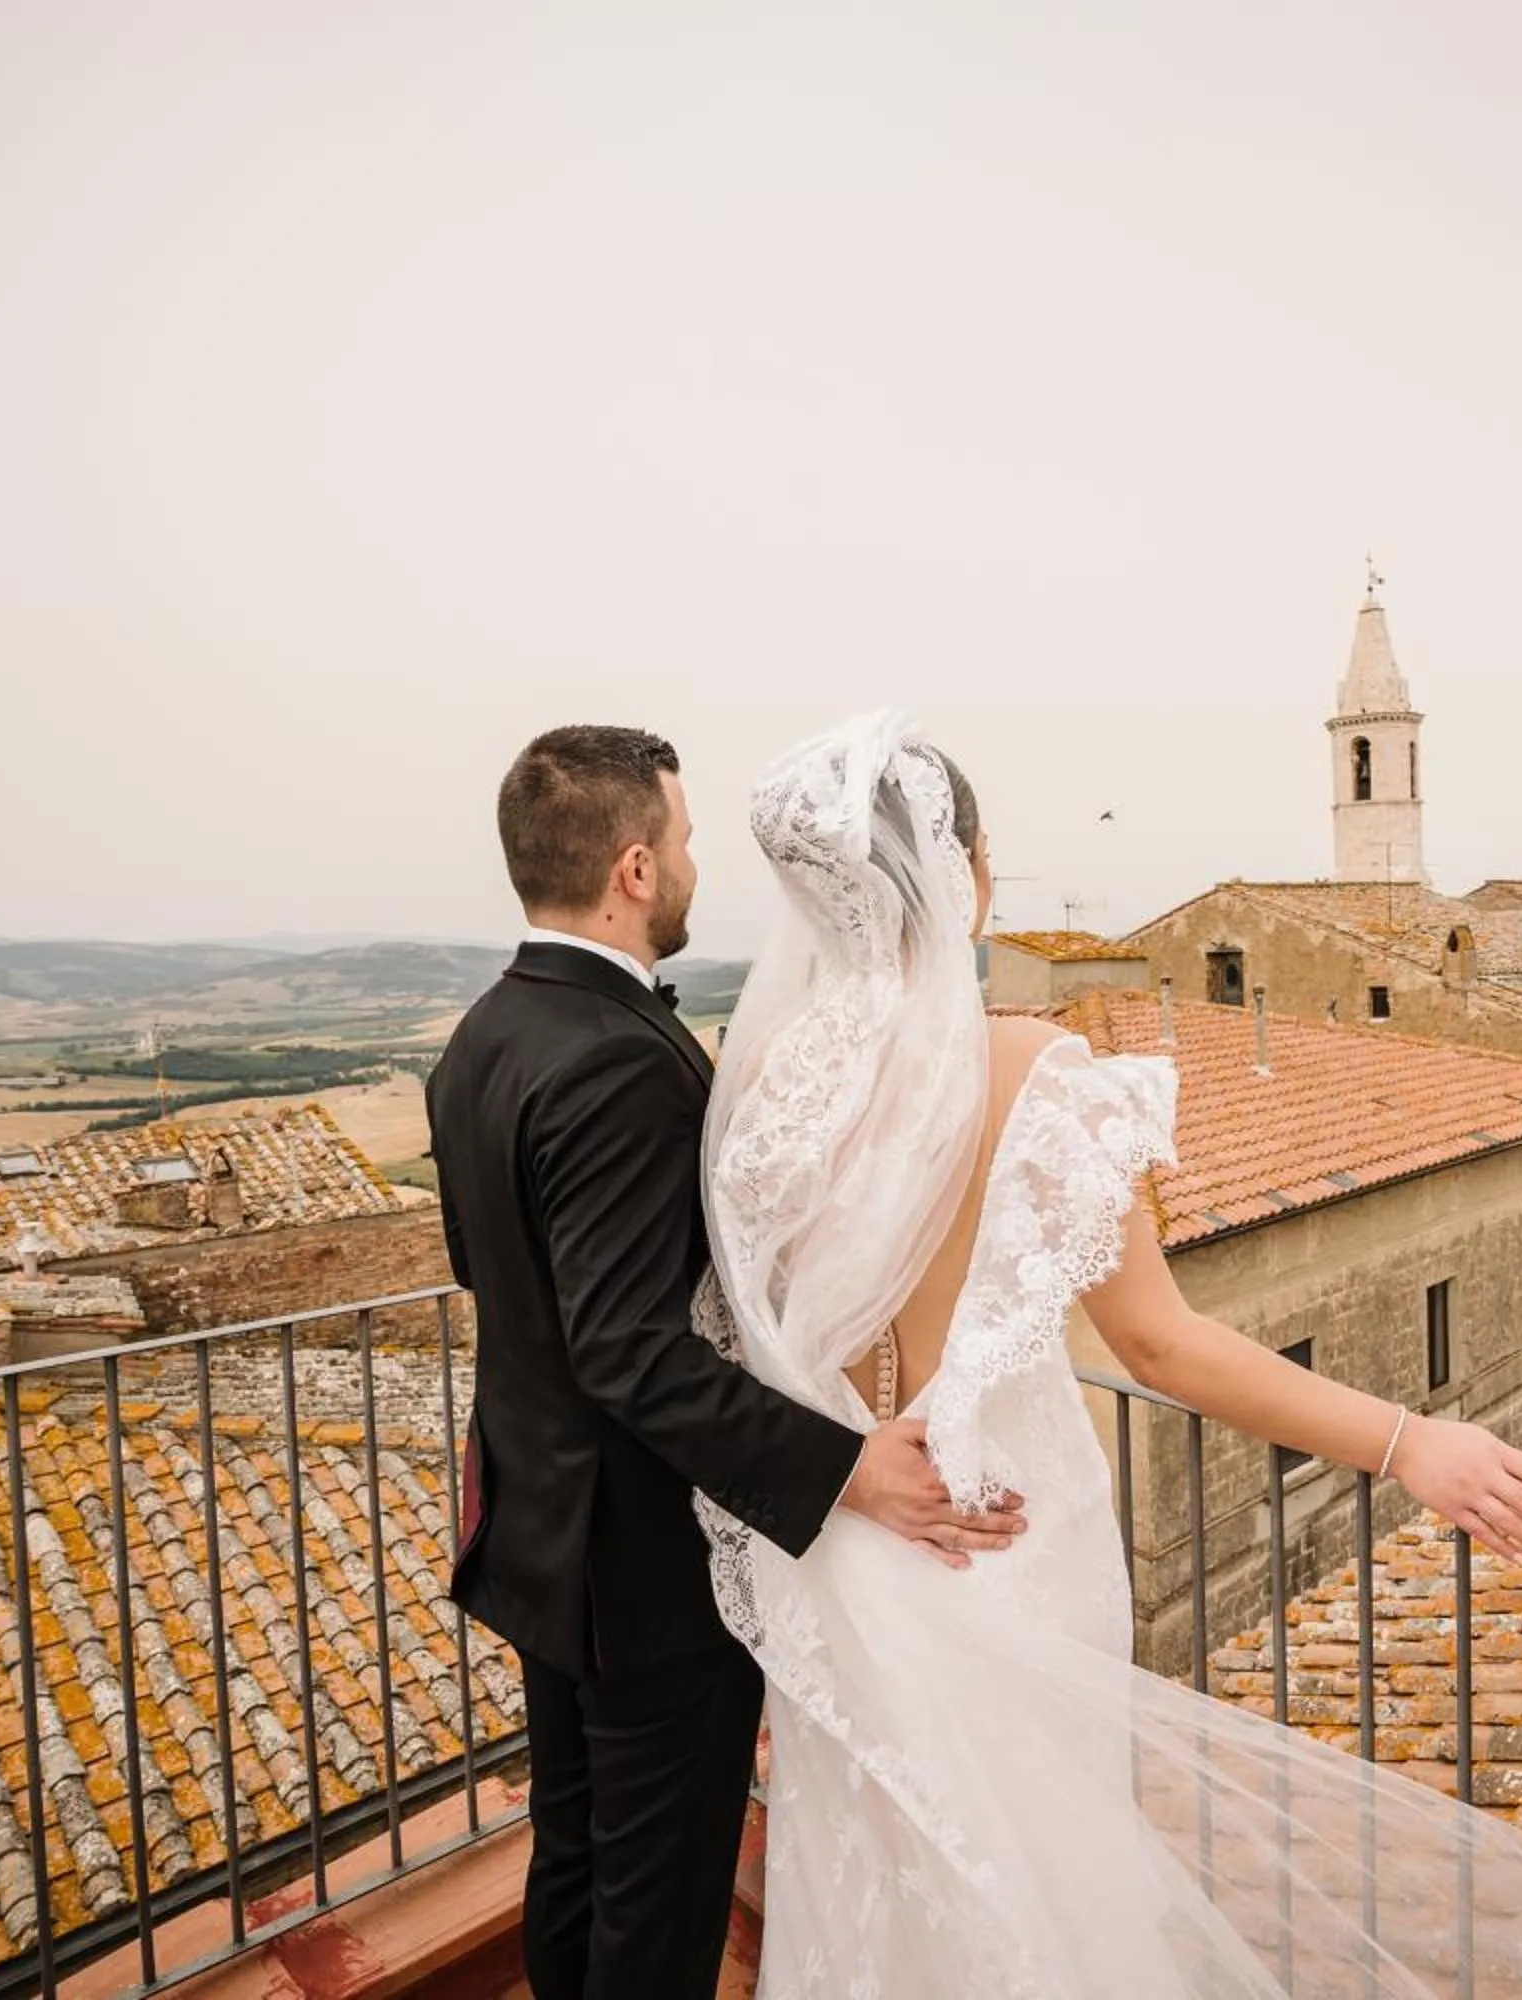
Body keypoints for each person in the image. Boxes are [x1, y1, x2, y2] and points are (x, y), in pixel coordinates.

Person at [693, 712, 1522, 1997]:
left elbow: (741, 1342)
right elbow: (1162, 1343)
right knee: (1044, 1881)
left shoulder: (765, 1087)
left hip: (849, 1548)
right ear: (961, 876)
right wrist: (1412, 1440)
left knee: (888, 1878)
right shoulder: (1035, 1072)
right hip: (1012, 1536)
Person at [425, 725, 1028, 1999]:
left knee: (575, 1857)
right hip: (641, 1568)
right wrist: (845, 1468)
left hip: (540, 1534)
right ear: (635, 868)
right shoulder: (610, 1065)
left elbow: (497, 1278)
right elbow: (631, 1352)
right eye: (687, 843)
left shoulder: (483, 1034)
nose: (698, 866)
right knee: (656, 1906)